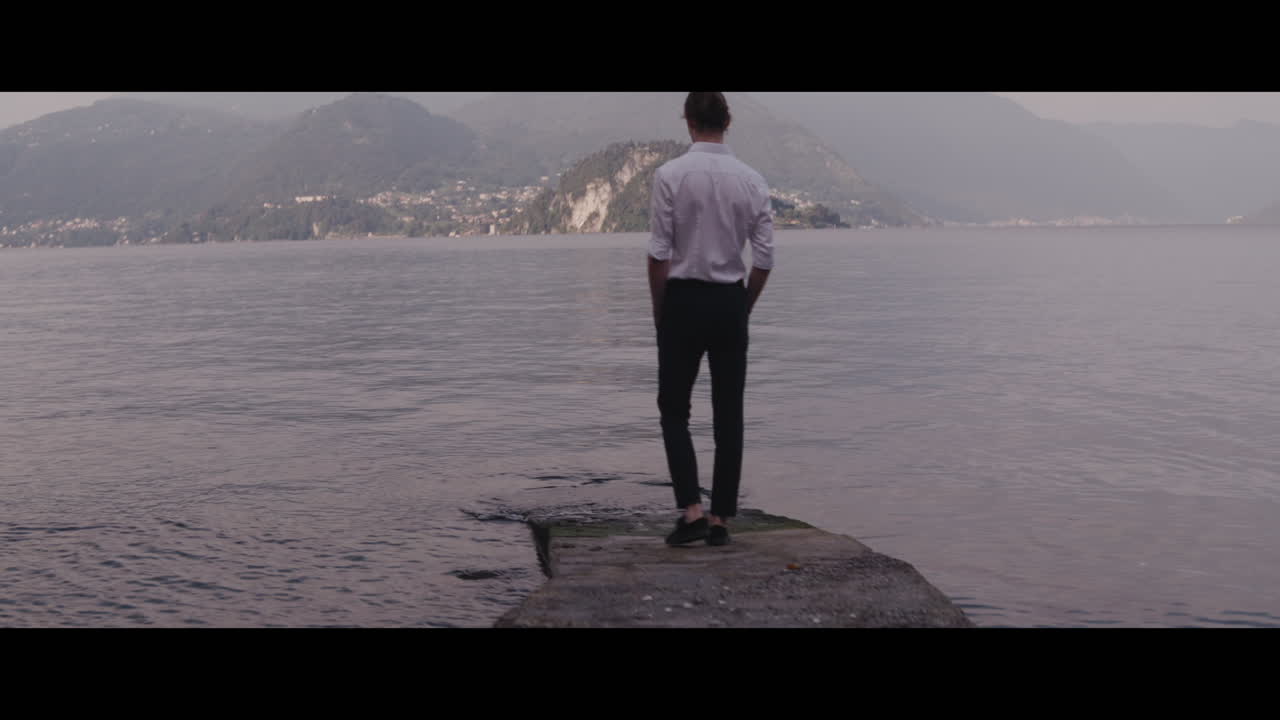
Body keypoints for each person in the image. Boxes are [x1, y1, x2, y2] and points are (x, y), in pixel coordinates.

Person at [648, 92, 774, 547]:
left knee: (674, 410)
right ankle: (721, 519)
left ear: (688, 123)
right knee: (729, 415)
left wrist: (660, 311)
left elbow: (659, 254)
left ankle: (692, 510)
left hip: (682, 300)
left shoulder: (670, 175)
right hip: (728, 303)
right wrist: (744, 306)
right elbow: (764, 259)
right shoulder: (753, 180)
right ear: (728, 121)